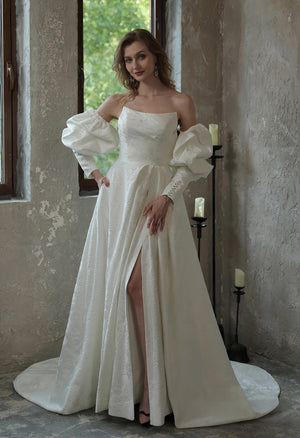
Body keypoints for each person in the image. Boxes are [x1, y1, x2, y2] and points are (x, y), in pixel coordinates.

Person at [14, 29, 279, 428]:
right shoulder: (121, 102)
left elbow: (190, 162)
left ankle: (155, 392)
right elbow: (76, 136)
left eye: (140, 56)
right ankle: (132, 385)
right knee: (125, 287)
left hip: (158, 200)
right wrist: (95, 172)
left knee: (146, 285)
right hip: (121, 197)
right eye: (128, 60)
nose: (134, 65)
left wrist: (168, 197)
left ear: (155, 56)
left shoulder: (180, 102)